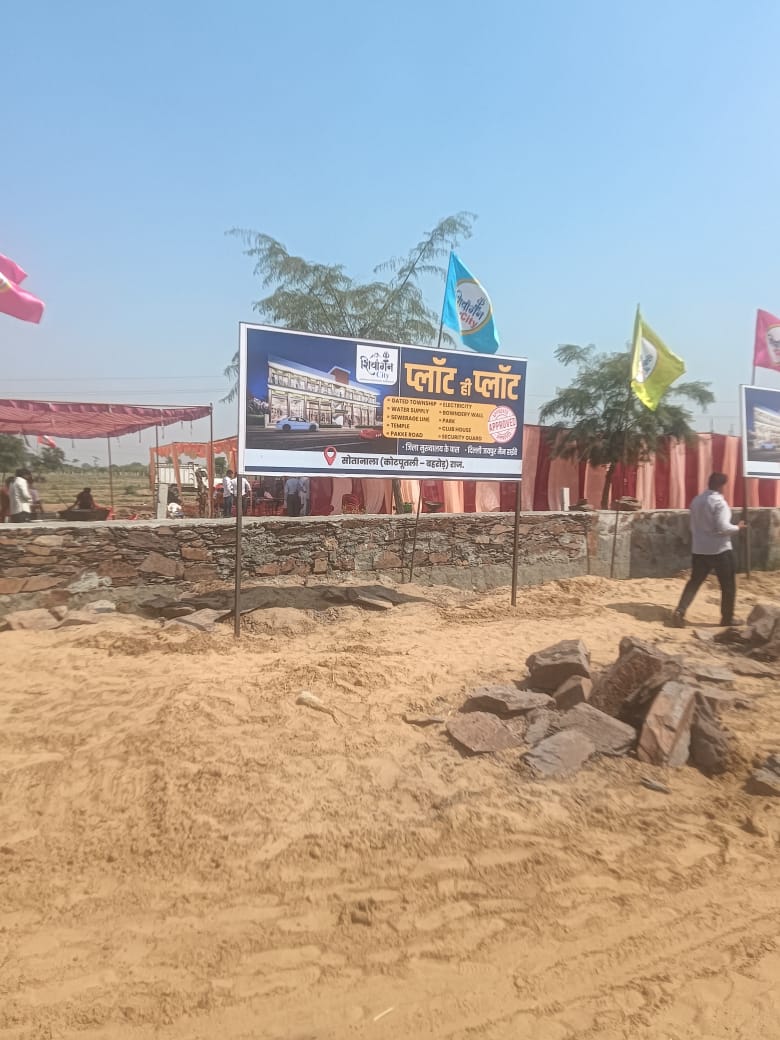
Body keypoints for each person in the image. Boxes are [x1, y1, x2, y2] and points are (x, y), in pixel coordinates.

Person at [671, 472, 746, 628]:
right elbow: (723, 527)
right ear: (721, 486)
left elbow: (693, 526)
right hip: (720, 549)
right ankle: (727, 618)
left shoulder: (696, 501)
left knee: (694, 582)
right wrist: (737, 528)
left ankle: (680, 611)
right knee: (728, 585)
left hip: (699, 549)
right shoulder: (719, 503)